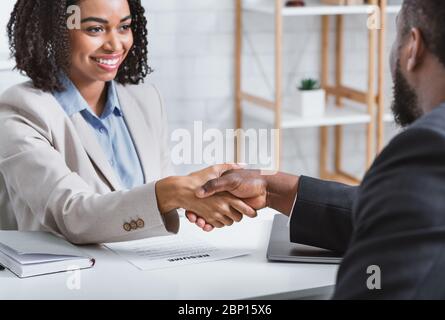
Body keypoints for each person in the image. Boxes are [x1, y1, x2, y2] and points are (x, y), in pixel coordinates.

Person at [189, 0, 445, 299]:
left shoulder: (432, 145)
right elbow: (404, 217)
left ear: (413, 48)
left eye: (396, 36)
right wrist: (270, 188)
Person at [0, 0, 256, 243]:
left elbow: (161, 200)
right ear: (53, 32)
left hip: (147, 271)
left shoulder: (145, 100)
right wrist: (172, 191)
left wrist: (200, 193)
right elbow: (71, 215)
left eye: (124, 26)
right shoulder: (22, 110)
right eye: (95, 29)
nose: (115, 44)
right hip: (64, 281)